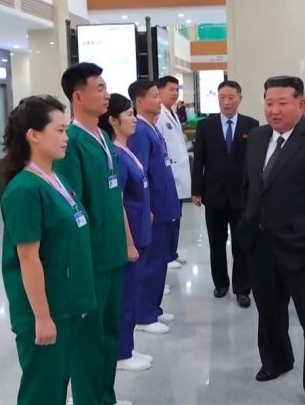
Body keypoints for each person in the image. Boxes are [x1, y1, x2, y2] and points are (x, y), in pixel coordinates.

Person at [239, 75, 305, 405]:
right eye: (269, 103)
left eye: (282, 103)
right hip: (261, 244)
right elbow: (250, 186)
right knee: (269, 312)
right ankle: (277, 360)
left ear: (300, 104)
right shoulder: (257, 137)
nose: (274, 110)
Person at [0, 95, 99, 404]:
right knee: (42, 391)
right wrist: (42, 317)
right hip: (46, 310)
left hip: (65, 303)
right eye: (59, 130)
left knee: (57, 385)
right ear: (34, 135)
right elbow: (28, 259)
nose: (66, 138)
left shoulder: (55, 179)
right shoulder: (25, 190)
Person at [55, 63, 137, 405]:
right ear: (78, 96)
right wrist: (80, 263)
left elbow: (113, 195)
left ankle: (107, 396)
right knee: (88, 341)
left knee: (108, 334)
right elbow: (72, 207)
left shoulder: (103, 137)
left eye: (106, 88)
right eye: (99, 88)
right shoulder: (70, 143)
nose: (106, 94)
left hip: (113, 253)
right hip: (90, 259)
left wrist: (128, 242)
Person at [191, 80, 259, 308]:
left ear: (239, 98)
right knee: (216, 243)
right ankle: (220, 283)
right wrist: (196, 190)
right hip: (214, 194)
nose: (226, 102)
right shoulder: (206, 125)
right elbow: (199, 159)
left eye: (231, 97)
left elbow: (255, 162)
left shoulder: (252, 125)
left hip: (242, 196)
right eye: (222, 97)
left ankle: (242, 288)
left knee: (242, 244)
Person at [99, 93, 155, 372]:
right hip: (130, 235)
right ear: (113, 120)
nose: (134, 120)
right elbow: (117, 201)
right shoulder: (116, 155)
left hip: (141, 228)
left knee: (133, 292)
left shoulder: (126, 149)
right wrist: (128, 244)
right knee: (125, 298)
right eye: (129, 115)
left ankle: (128, 346)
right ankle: (122, 353)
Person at [128, 79, 180, 335]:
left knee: (160, 261)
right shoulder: (139, 131)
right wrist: (145, 208)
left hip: (165, 205)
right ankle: (144, 314)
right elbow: (140, 175)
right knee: (150, 263)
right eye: (153, 96)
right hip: (154, 209)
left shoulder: (153, 128)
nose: (159, 100)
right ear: (139, 101)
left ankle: (154, 308)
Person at [155, 75, 190, 269]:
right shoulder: (159, 114)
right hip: (170, 174)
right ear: (159, 91)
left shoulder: (172, 112)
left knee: (176, 216)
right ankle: (166, 255)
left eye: (177, 90)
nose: (175, 93)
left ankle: (172, 252)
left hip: (179, 173)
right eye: (171, 89)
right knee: (169, 218)